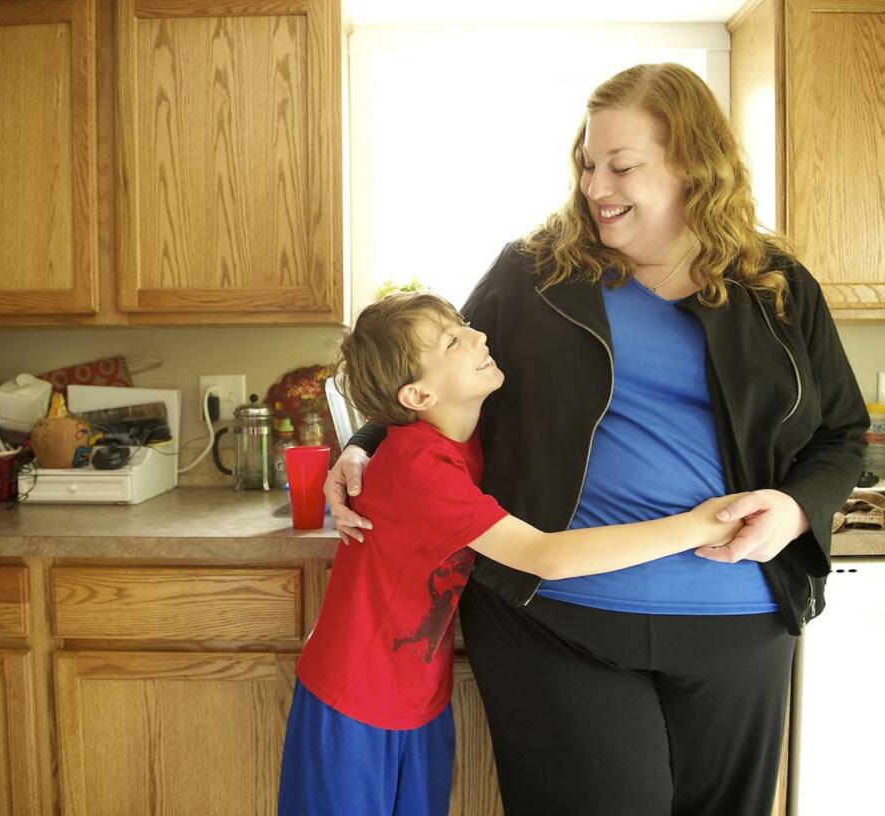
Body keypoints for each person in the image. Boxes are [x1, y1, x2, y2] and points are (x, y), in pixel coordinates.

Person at [325, 63, 869, 815]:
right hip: (556, 624)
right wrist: (362, 445)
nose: (595, 186)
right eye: (587, 163)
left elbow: (843, 434)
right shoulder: (535, 273)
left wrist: (798, 508)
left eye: (623, 166)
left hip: (737, 623)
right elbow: (436, 380)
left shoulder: (776, 286)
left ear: (692, 167)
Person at [279, 291, 743, 816]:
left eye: (464, 325)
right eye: (453, 340)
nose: (480, 336)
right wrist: (699, 523)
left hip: (416, 699)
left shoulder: (461, 437)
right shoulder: (418, 467)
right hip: (353, 698)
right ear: (417, 396)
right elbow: (545, 556)